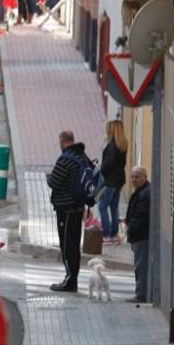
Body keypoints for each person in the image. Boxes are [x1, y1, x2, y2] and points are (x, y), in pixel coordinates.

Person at [47, 130, 93, 293]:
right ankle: (72, 277)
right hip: (78, 207)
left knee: (67, 245)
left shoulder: (65, 159)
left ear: (62, 142)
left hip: (65, 208)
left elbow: (54, 182)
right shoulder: (82, 157)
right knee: (74, 243)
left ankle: (70, 280)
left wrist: (49, 177)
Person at [98, 120, 128, 244]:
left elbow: (107, 165)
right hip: (120, 179)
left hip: (110, 180)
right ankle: (114, 234)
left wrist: (101, 171)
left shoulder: (111, 146)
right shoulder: (123, 144)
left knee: (102, 206)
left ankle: (106, 234)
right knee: (114, 207)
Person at [124, 167, 151, 304]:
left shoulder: (145, 194)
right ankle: (141, 292)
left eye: (137, 177)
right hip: (139, 235)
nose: (134, 180)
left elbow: (140, 217)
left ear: (145, 177)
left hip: (141, 236)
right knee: (140, 265)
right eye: (132, 177)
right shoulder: (142, 192)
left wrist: (130, 230)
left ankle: (141, 294)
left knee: (141, 266)